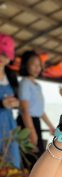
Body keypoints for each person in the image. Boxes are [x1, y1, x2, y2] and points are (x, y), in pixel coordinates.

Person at [17, 50, 55, 168]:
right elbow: (24, 109)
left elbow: (40, 110)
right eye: (33, 64)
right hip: (26, 122)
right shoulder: (25, 82)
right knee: (31, 158)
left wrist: (50, 126)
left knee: (37, 158)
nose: (37, 67)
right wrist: (31, 131)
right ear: (25, 65)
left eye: (39, 65)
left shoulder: (37, 85)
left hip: (35, 121)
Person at [0, 33, 21, 169]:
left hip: (8, 123)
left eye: (6, 54)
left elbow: (18, 99)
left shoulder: (11, 76)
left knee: (11, 158)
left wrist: (16, 103)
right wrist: (2, 103)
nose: (3, 57)